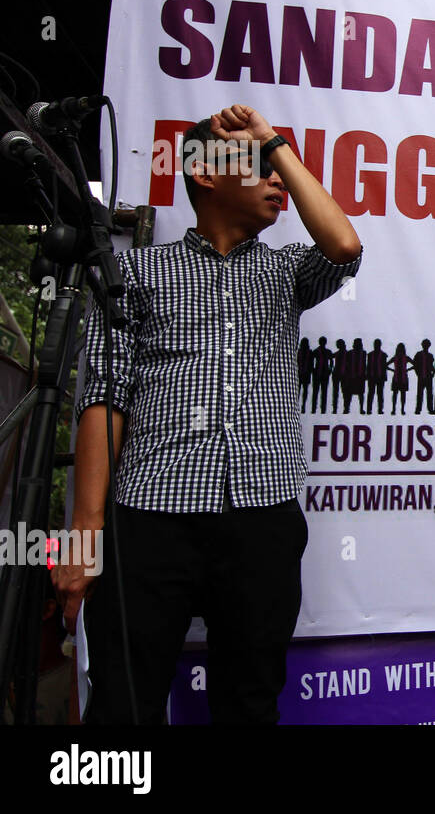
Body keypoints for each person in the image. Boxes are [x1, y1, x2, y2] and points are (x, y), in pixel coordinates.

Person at [54, 103, 362, 723]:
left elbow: (346, 246)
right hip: (149, 518)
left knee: (248, 702)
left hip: (261, 519)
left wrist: (270, 141)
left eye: (281, 166)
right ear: (206, 175)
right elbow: (104, 398)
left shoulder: (287, 271)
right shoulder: (134, 272)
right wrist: (85, 535)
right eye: (261, 168)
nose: (279, 179)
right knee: (123, 702)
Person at [389, 341, 410, 415]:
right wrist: (407, 370)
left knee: (397, 394)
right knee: (400, 394)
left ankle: (396, 409)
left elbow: (386, 365)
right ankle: (400, 409)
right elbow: (415, 364)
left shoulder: (396, 357)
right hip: (400, 377)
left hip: (398, 376)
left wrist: (393, 370)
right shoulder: (405, 358)